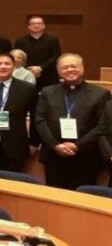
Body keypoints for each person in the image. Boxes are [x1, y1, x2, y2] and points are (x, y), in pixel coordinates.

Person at [34, 54, 110, 189]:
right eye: (65, 67)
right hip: (54, 155)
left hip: (86, 156)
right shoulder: (47, 92)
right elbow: (40, 120)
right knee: (54, 197)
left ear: (82, 68)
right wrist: (55, 145)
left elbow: (101, 126)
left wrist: (77, 145)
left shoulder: (101, 94)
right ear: (58, 70)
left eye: (73, 66)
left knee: (83, 198)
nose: (69, 69)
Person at [14, 16, 62, 87]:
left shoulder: (52, 39)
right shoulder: (20, 40)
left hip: (49, 75)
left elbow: (56, 56)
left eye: (39, 23)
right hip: (26, 75)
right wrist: (30, 69)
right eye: (33, 24)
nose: (36, 25)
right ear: (28, 26)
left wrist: (40, 68)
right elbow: (17, 58)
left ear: (44, 26)